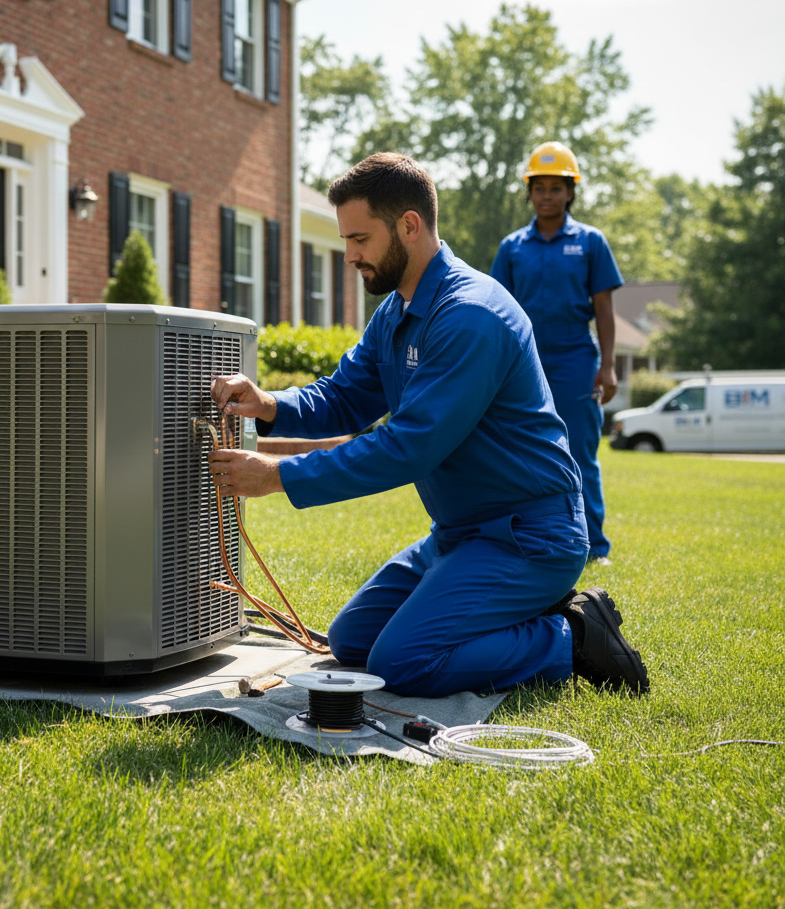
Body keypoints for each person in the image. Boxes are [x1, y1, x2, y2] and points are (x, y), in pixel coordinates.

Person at [208, 153, 648, 697]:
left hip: (531, 537)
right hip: (461, 535)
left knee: (403, 663)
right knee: (354, 641)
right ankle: (508, 615)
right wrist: (269, 403)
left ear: (409, 226)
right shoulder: (396, 310)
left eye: (360, 239)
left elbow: (407, 448)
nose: (349, 255)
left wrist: (277, 475)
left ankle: (571, 635)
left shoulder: (472, 316)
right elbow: (345, 395)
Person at [489, 142, 623, 564]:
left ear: (570, 192)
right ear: (529, 192)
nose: (547, 195)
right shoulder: (512, 247)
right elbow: (495, 311)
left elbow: (604, 308)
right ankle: (524, 537)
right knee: (518, 450)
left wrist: (608, 367)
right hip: (522, 361)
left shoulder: (590, 242)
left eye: (556, 187)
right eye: (539, 187)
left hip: (575, 359)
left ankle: (593, 545)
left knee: (580, 452)